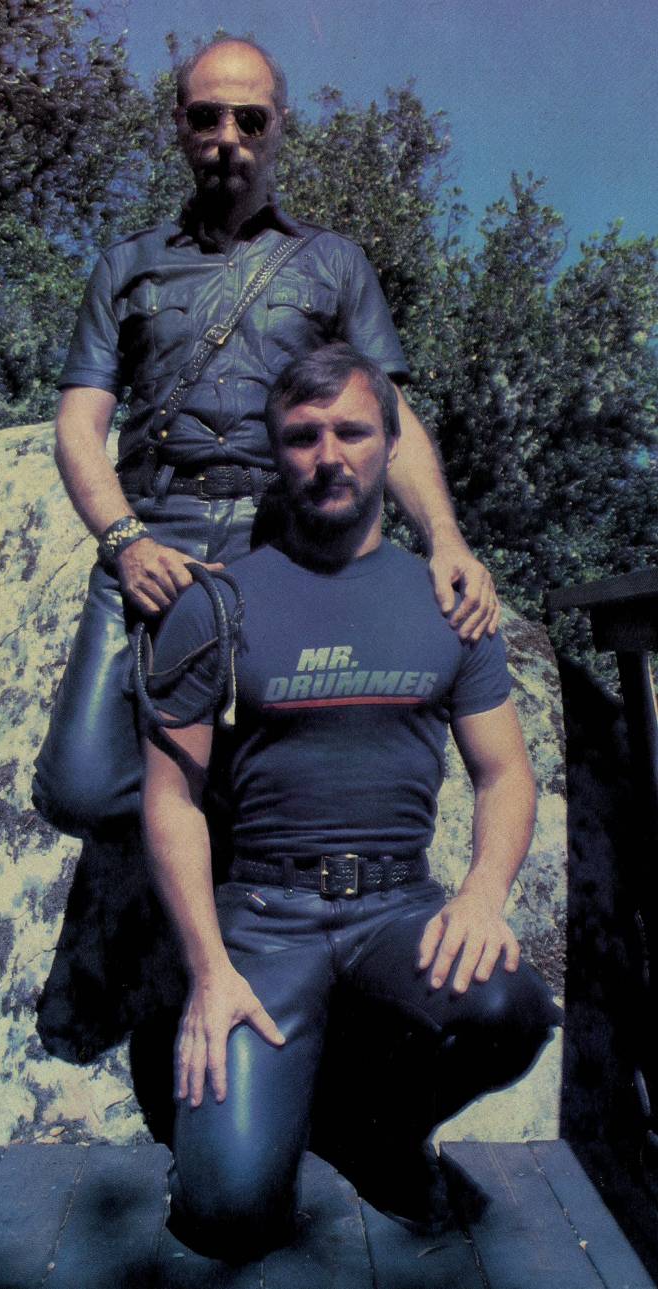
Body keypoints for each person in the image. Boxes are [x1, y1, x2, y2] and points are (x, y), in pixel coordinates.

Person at [141, 343, 560, 1259]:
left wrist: (482, 894)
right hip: (263, 919)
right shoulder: (216, 604)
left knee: (512, 1008)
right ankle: (283, 1113)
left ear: (391, 443)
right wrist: (209, 970)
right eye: (302, 436)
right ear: (276, 452)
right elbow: (172, 799)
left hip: (397, 910)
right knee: (227, 1211)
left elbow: (504, 772)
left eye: (352, 431)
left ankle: (378, 1127)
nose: (328, 455)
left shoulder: (449, 602)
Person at [32, 35, 499, 835]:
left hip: (283, 544)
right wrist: (126, 542)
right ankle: (213, 811)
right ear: (180, 125)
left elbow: (388, 415)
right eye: (207, 117)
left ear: (280, 125)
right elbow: (79, 423)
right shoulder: (124, 266)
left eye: (249, 119)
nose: (228, 137)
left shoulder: (334, 263)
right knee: (77, 788)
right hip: (155, 537)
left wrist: (445, 540)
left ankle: (252, 835)